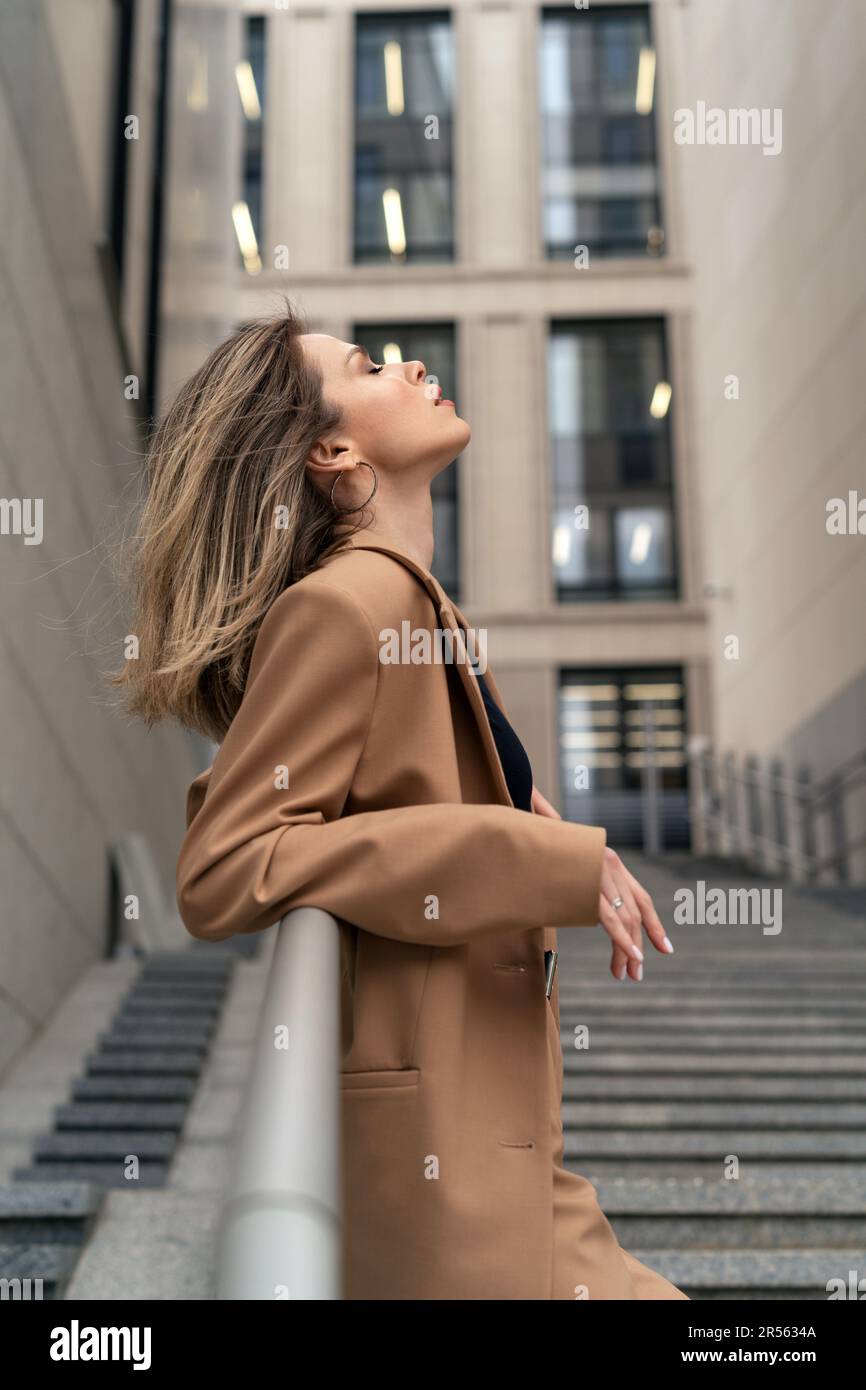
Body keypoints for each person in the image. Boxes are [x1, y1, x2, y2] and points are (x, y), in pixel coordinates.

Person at [109, 300, 688, 1300]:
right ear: (330, 450)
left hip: (511, 1173)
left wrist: (528, 812)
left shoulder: (417, 609)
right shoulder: (348, 604)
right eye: (371, 365)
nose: (413, 366)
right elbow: (221, 865)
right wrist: (523, 855)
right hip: (452, 1203)